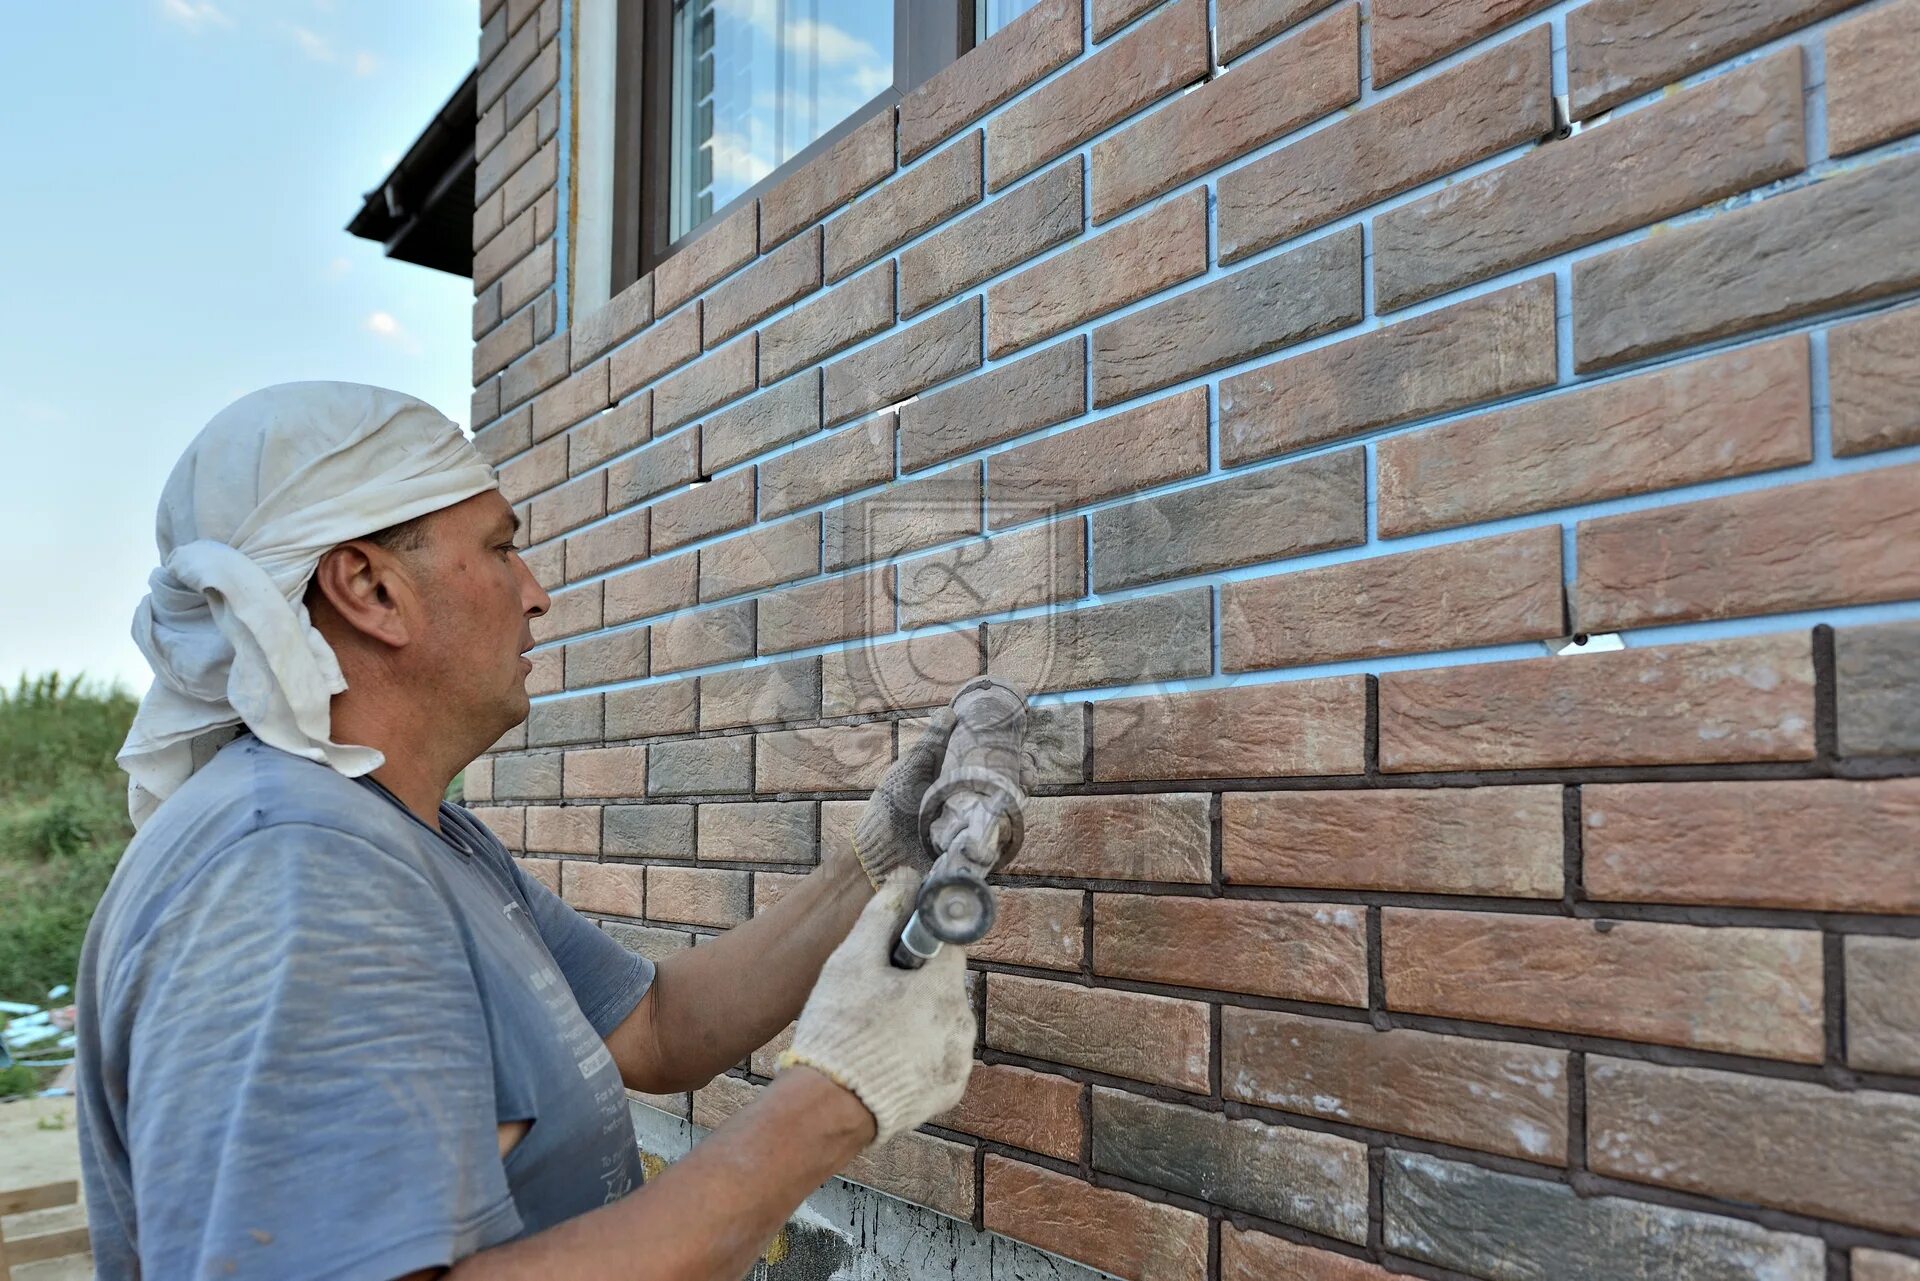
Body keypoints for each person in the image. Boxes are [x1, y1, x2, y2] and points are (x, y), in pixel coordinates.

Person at [74, 382, 981, 1281]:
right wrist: (832, 1099)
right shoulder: (292, 870)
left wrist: (879, 856)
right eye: (502, 549)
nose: (536, 593)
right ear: (370, 588)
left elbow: (658, 1027)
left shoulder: (426, 839)